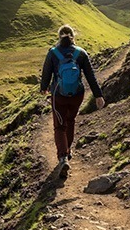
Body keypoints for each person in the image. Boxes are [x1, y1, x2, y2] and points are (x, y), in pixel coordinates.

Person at [40, 24, 105, 178]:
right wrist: (98, 95)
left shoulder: (53, 53)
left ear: (59, 36)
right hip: (77, 95)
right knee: (71, 121)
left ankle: (63, 157)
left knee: (59, 126)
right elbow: (91, 76)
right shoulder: (81, 53)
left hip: (59, 95)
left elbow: (46, 73)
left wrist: (44, 88)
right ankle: (68, 152)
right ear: (73, 37)